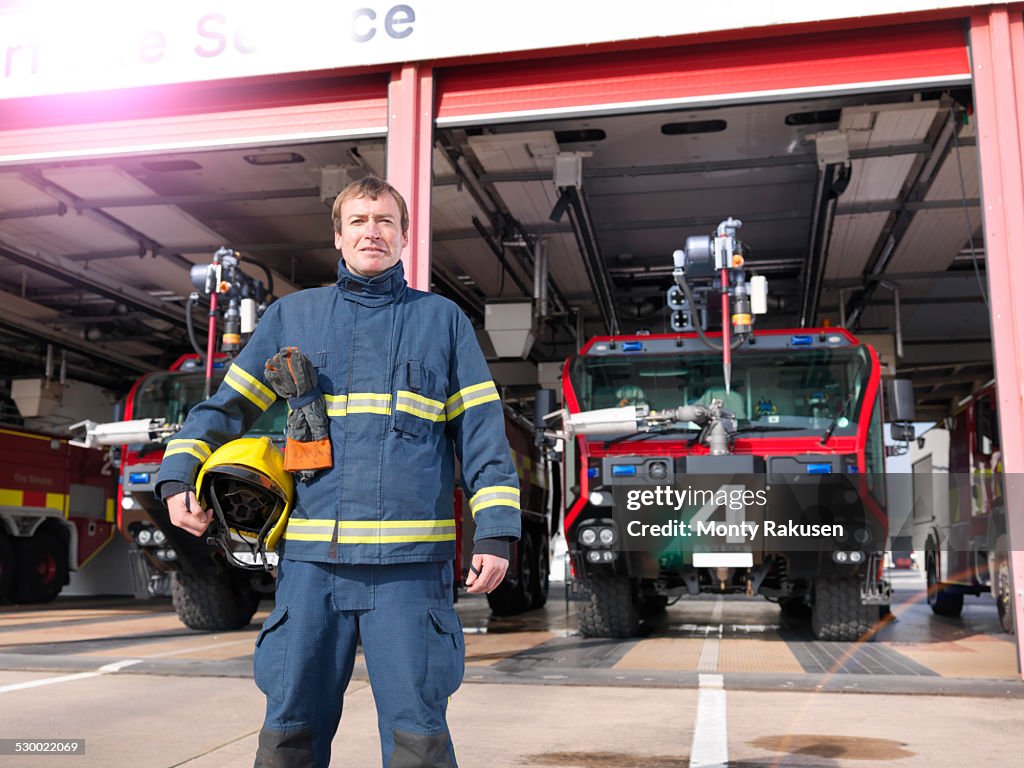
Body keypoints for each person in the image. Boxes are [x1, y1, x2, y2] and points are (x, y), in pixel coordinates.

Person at [155, 176, 522, 768]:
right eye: (358, 220)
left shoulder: (443, 321)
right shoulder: (290, 318)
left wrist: (497, 530)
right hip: (311, 570)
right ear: (338, 236)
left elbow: (482, 433)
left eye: (384, 221)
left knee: (419, 738)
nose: (371, 231)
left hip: (409, 575)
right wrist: (177, 476)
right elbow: (224, 409)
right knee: (289, 731)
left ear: (404, 237)